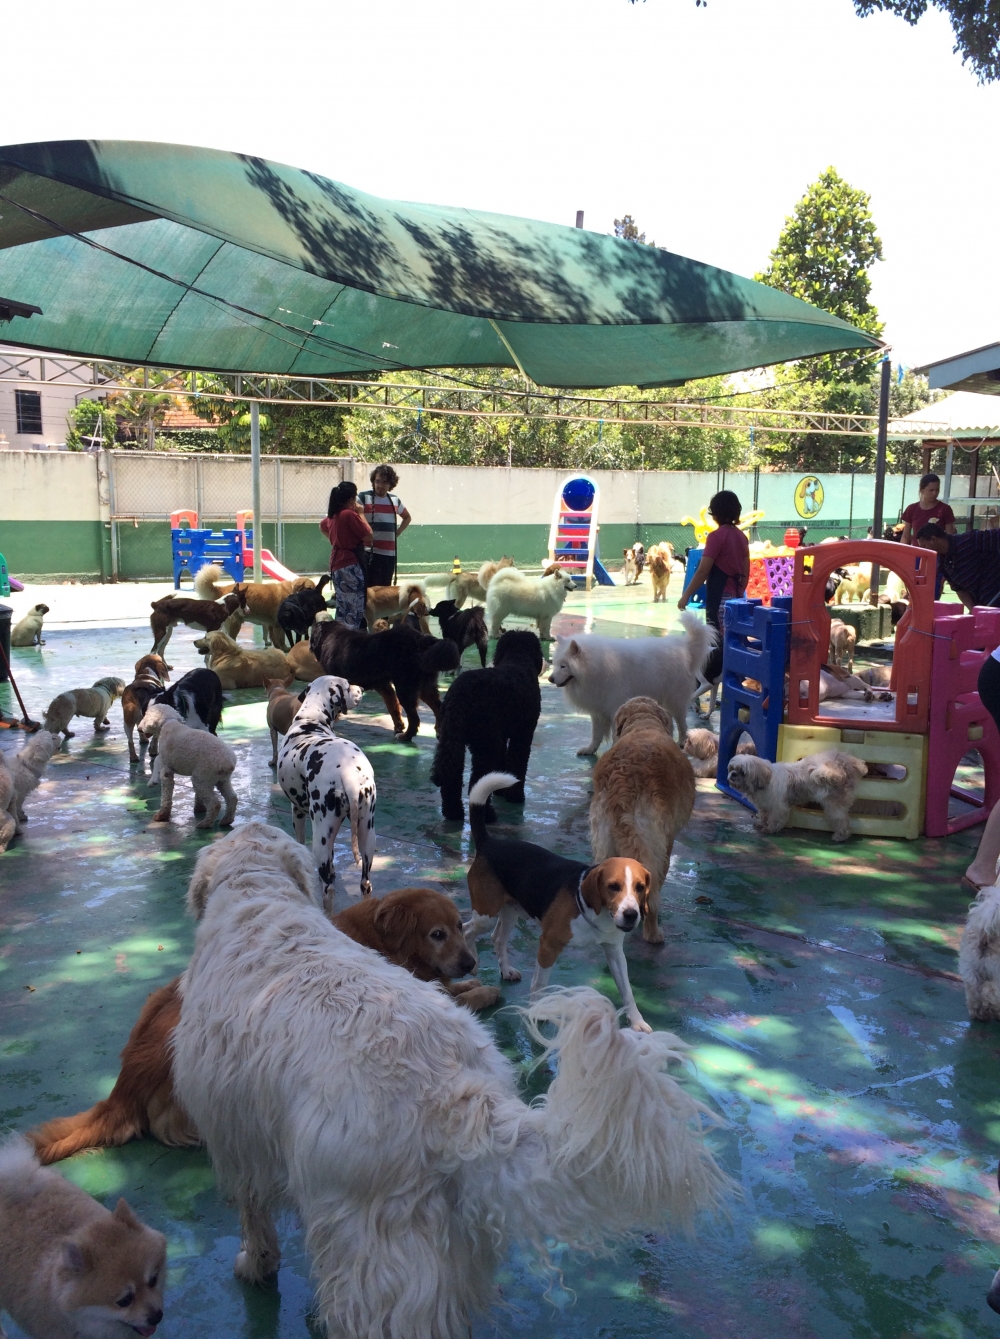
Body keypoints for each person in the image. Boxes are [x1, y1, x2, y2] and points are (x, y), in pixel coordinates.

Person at [677, 490, 750, 684]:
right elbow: (745, 573)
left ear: (715, 513)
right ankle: (733, 681)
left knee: (715, 642)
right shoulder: (742, 538)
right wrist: (738, 593)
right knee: (733, 639)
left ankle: (704, 682)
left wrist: (686, 596)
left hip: (720, 598)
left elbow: (703, 571)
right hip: (737, 597)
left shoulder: (716, 537)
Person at [319, 481, 372, 629]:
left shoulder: (333, 514)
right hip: (350, 564)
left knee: (342, 606)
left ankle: (340, 640)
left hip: (337, 564)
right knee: (354, 608)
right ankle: (350, 644)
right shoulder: (349, 514)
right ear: (351, 500)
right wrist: (361, 514)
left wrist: (335, 540)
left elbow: (322, 526)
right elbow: (369, 536)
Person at [915, 523, 1000, 611]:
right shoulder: (944, 563)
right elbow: (959, 589)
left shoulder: (970, 540)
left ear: (934, 539)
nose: (924, 551)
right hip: (985, 606)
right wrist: (973, 609)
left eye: (924, 546)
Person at [357, 465, 411, 589]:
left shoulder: (394, 500)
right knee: (369, 590)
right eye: (377, 481)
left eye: (384, 482)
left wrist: (397, 533)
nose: (380, 485)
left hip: (388, 554)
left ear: (391, 484)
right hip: (369, 553)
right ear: (373, 481)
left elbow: (407, 517)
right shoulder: (364, 497)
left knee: (385, 590)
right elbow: (353, 515)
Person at [900, 473, 956, 545]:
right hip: (917, 553)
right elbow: (905, 537)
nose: (935, 493)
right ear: (922, 490)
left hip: (937, 554)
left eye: (937, 490)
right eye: (931, 490)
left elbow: (949, 537)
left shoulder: (945, 509)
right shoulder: (911, 509)